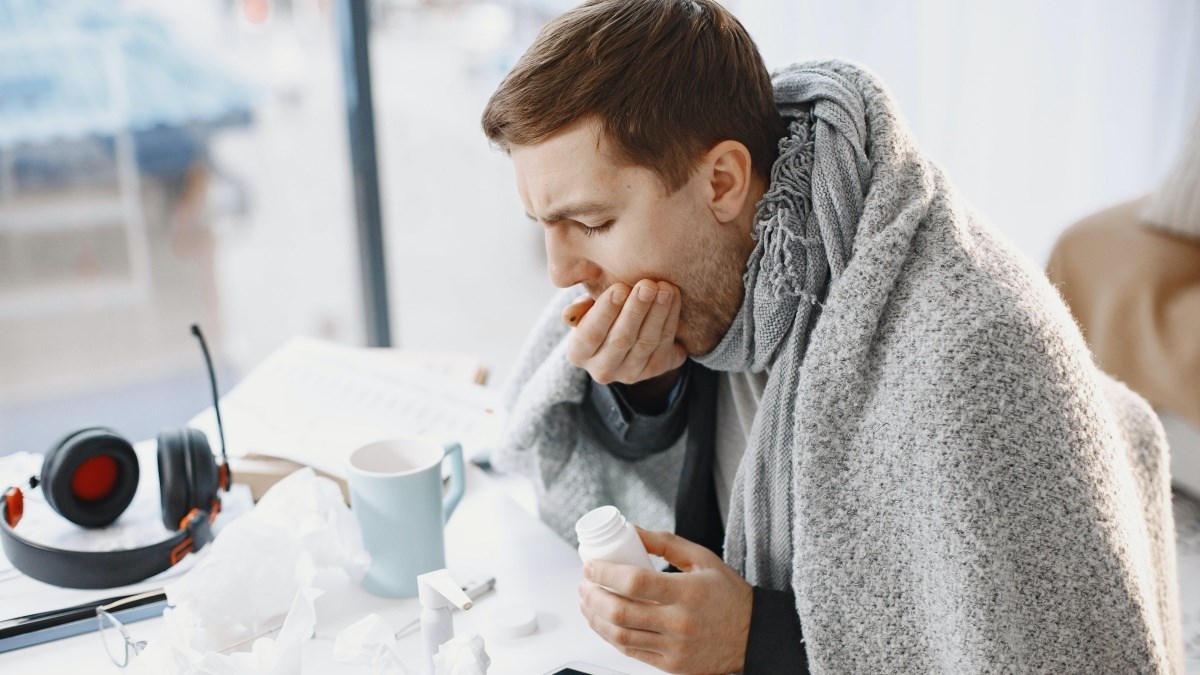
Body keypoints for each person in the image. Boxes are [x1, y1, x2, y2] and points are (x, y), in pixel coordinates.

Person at [482, 1, 1183, 672]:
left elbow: (1032, 651)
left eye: (594, 224)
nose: (561, 272)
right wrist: (649, 382)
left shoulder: (969, 354)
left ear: (722, 180)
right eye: (541, 225)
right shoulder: (714, 274)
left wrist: (758, 639)